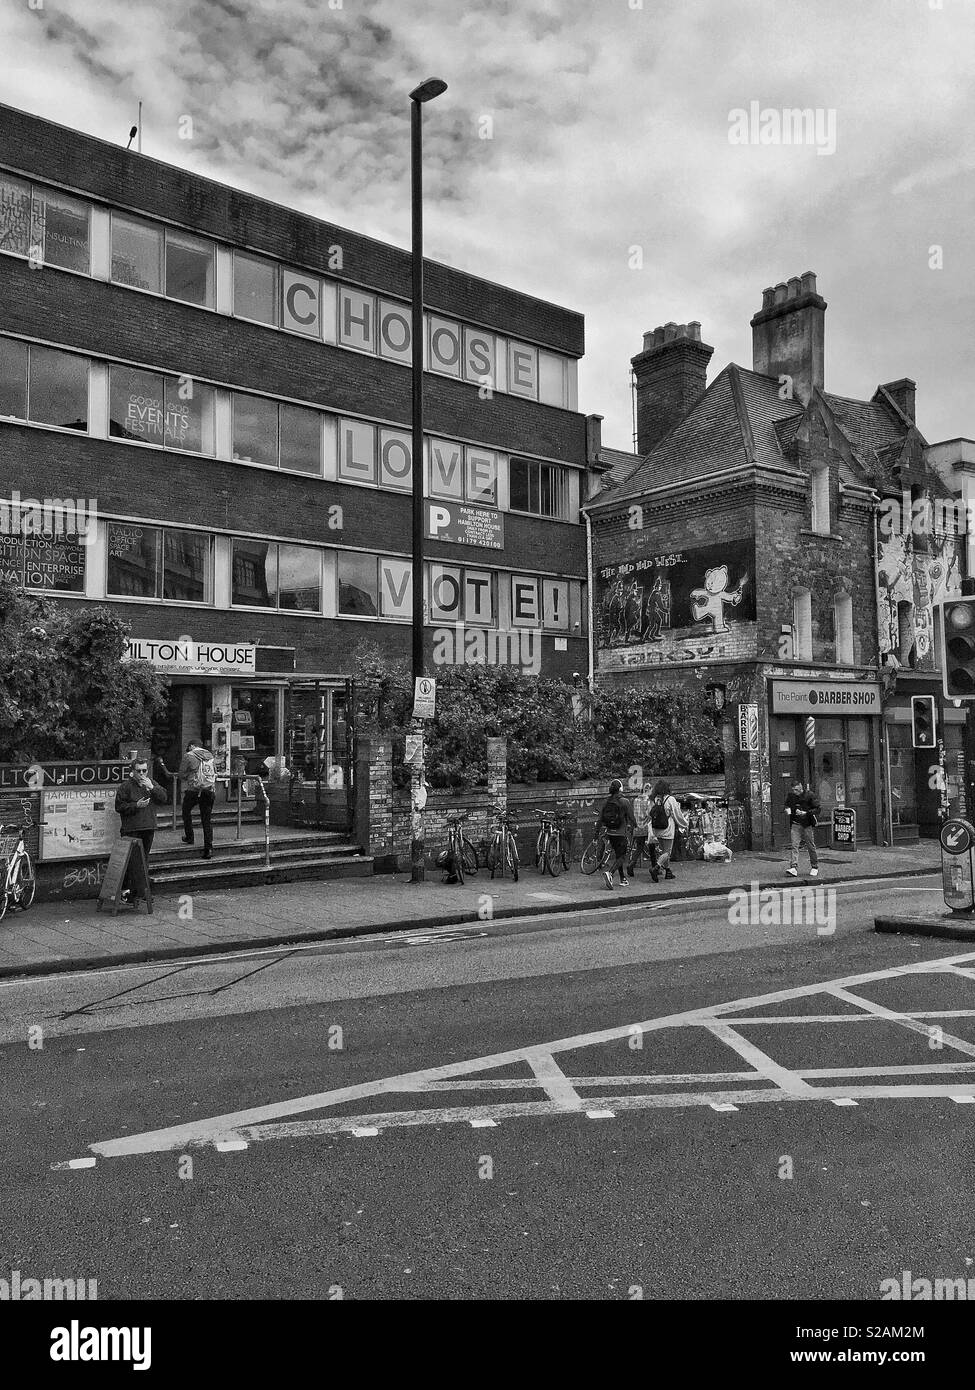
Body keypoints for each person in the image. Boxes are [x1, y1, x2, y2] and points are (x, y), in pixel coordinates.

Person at [114, 757, 167, 904]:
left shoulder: (150, 784)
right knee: (132, 861)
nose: (142, 774)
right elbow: (119, 807)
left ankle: (140, 891)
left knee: (143, 860)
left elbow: (163, 798)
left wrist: (152, 787)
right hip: (131, 828)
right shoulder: (125, 787)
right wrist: (136, 805)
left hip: (148, 826)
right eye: (139, 771)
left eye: (144, 770)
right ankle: (130, 892)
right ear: (133, 771)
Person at [179, 738, 217, 859]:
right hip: (209, 790)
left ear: (191, 746)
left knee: (186, 811)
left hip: (194, 791)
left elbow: (181, 774)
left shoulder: (188, 756)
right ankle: (209, 849)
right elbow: (215, 771)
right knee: (207, 820)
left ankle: (189, 836)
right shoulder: (209, 755)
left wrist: (189, 776)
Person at [598, 778, 634, 889]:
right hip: (621, 833)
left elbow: (600, 819)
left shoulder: (607, 801)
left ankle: (623, 879)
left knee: (618, 856)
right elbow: (631, 817)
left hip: (610, 833)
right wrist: (636, 826)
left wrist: (596, 834)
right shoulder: (625, 801)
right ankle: (610, 873)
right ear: (621, 789)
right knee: (622, 857)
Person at [652, 781, 688, 881]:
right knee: (667, 852)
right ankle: (656, 868)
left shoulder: (656, 799)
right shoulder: (670, 799)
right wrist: (684, 824)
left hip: (657, 829)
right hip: (667, 829)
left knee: (663, 851)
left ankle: (668, 871)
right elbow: (677, 814)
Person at [785, 776, 820, 877]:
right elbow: (787, 805)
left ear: (801, 787)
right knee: (794, 846)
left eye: (796, 789)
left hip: (807, 824)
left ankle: (814, 866)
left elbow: (818, 809)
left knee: (810, 845)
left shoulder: (809, 795)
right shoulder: (791, 796)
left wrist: (806, 813)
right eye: (793, 790)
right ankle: (793, 867)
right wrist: (788, 811)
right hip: (795, 824)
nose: (795, 791)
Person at [628, 785, 660, 882]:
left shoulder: (636, 800)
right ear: (647, 790)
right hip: (647, 827)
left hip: (638, 827)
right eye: (651, 790)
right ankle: (655, 868)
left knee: (639, 847)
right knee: (652, 848)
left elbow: (634, 813)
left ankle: (631, 864)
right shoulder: (649, 801)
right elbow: (650, 814)